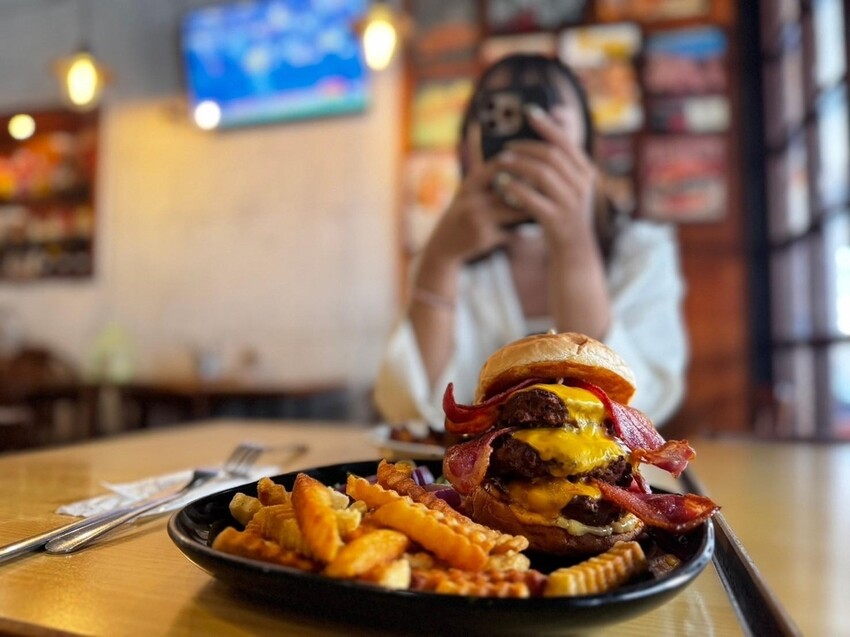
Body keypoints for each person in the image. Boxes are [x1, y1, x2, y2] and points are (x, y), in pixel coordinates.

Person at [373, 53, 687, 428]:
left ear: (585, 145)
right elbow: (410, 410)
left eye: (540, 115)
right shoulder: (449, 259)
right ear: (468, 147)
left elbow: (639, 408)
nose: (519, 135)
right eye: (499, 115)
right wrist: (440, 260)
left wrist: (574, 247)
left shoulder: (642, 253)